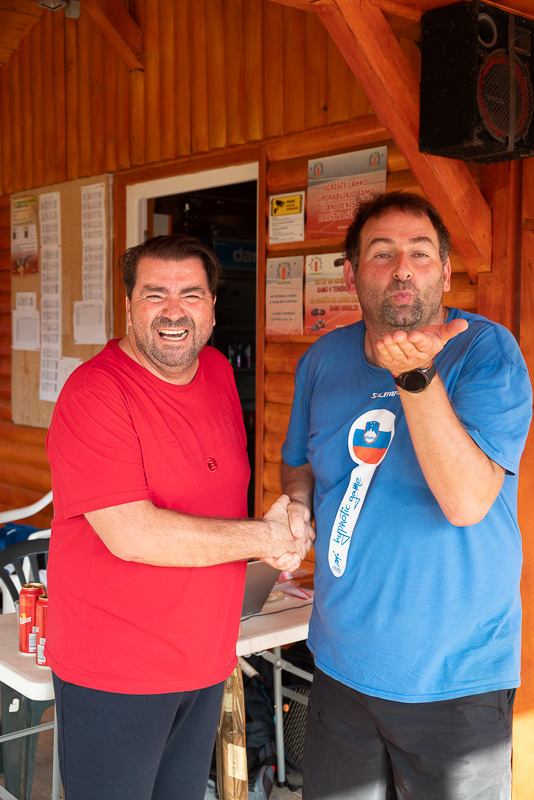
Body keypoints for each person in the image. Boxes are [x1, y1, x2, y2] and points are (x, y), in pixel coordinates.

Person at [281, 191, 532, 800]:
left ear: (444, 272)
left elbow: (467, 502)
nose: (402, 269)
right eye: (382, 253)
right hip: (340, 668)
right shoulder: (322, 361)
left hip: (454, 681)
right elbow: (297, 463)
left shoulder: (486, 352)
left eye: (420, 254)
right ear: (351, 274)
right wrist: (296, 505)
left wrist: (415, 377)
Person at [45, 234, 314, 800]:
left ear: (212, 307)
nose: (174, 312)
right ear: (128, 306)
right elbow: (132, 533)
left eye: (190, 294)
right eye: (154, 294)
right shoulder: (95, 392)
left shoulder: (216, 371)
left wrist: (280, 519)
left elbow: (215, 499)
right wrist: (262, 537)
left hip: (205, 659)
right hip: (116, 671)